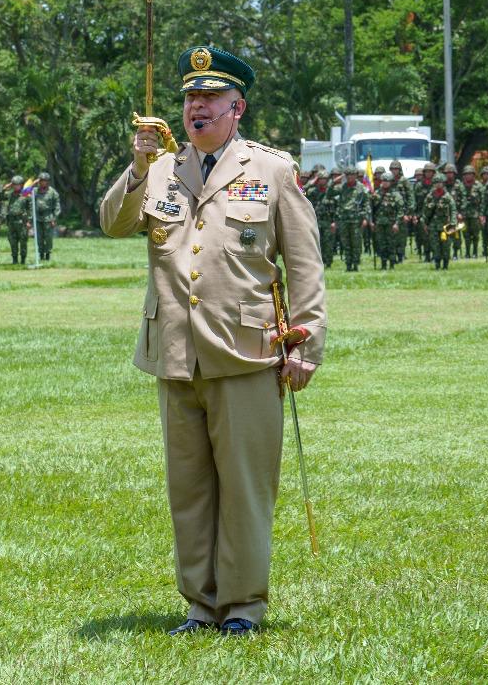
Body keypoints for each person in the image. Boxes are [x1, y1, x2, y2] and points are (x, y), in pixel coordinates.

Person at [100, 45, 327, 636]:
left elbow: (304, 264)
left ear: (237, 107)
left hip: (247, 350)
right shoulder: (157, 169)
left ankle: (244, 605)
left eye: (209, 98)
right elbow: (113, 223)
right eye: (189, 99)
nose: (196, 108)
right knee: (191, 490)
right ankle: (201, 604)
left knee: (246, 488)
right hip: (176, 353)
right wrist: (136, 165)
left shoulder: (271, 170)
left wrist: (306, 342)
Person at [331, 165, 370, 271]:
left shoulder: (361, 187)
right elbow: (329, 192)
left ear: (356, 176)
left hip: (357, 220)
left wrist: (366, 219)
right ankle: (348, 264)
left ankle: (356, 264)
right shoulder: (342, 187)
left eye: (352, 175)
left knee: (356, 243)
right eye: (347, 175)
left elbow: (366, 204)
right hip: (344, 219)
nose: (350, 177)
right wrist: (335, 181)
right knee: (346, 242)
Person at [422, 178, 457, 270]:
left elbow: (453, 210)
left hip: (446, 225)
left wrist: (453, 224)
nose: (438, 184)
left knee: (446, 245)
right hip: (433, 225)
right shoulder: (430, 196)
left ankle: (445, 265)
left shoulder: (448, 197)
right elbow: (425, 211)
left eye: (440, 183)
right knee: (435, 245)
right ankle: (437, 264)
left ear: (443, 184)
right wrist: (425, 223)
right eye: (436, 183)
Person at [452, 165, 484, 260]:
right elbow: (455, 202)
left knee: (475, 235)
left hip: (475, 215)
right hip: (463, 215)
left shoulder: (479, 186)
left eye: (470, 174)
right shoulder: (459, 187)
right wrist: (458, 213)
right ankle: (467, 253)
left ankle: (474, 252)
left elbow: (483, 201)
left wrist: (481, 214)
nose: (468, 176)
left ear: (473, 175)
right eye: (466, 174)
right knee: (465, 235)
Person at [34, 172, 61, 261]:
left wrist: (54, 218)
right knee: (39, 238)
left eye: (45, 181)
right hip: (38, 218)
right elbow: (25, 193)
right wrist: (33, 183)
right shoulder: (34, 191)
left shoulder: (52, 192)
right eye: (41, 181)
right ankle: (41, 254)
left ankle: (47, 254)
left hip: (48, 218)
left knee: (48, 238)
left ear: (48, 182)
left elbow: (57, 206)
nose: (43, 183)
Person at [3, 176, 31, 264]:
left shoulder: (26, 195)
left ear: (21, 185)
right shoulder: (10, 194)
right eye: (14, 184)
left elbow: (30, 209)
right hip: (11, 222)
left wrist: (29, 221)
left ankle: (23, 260)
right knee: (12, 241)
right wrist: (4, 189)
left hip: (22, 221)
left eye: (17, 185)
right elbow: (0, 198)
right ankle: (14, 259)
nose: (15, 186)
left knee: (23, 241)